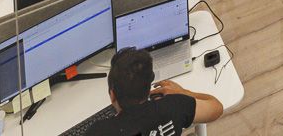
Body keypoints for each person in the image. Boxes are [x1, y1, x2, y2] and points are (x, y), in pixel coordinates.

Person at [86, 46, 223, 135]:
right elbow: (216, 107)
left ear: (112, 95)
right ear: (148, 88)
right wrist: (183, 92)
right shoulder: (174, 106)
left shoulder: (98, 131)